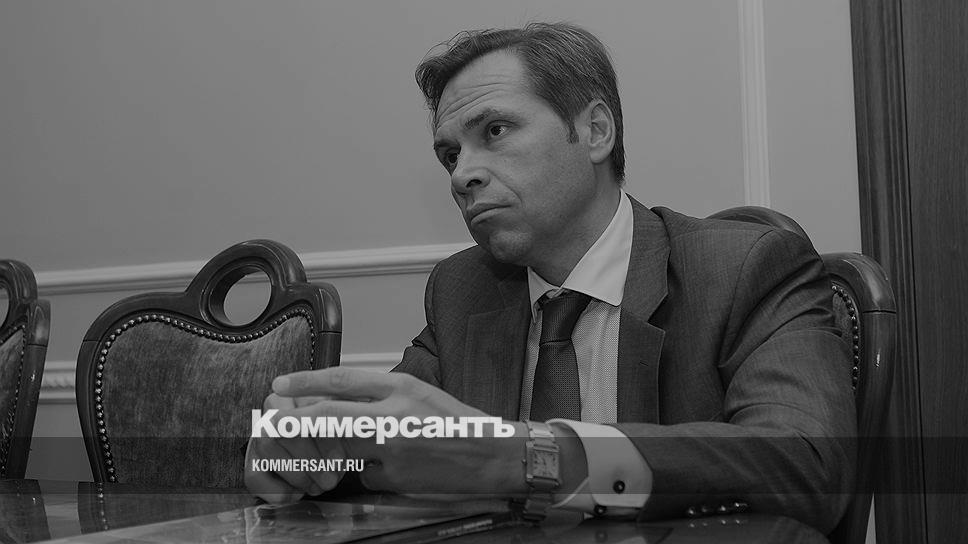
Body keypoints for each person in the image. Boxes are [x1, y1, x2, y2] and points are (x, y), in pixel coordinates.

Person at [245, 22, 855, 534]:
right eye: (450, 155)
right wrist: (306, 454)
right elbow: (393, 447)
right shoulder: (463, 289)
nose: (461, 176)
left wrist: (528, 457)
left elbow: (803, 466)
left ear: (595, 131)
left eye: (495, 131)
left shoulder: (745, 266)